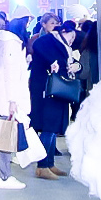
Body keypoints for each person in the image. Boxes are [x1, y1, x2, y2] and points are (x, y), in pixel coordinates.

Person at [0, 14, 29, 189]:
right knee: (6, 136)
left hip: (5, 95)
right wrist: (13, 100)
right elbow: (11, 74)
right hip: (9, 98)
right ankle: (5, 176)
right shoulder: (12, 44)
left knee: (5, 134)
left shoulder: (5, 43)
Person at [27, 12, 74, 178]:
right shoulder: (44, 41)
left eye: (57, 22)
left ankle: (49, 163)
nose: (55, 25)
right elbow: (46, 57)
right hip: (46, 90)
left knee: (53, 127)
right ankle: (42, 165)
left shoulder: (61, 43)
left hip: (56, 89)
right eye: (52, 22)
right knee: (48, 126)